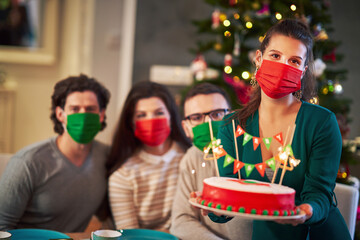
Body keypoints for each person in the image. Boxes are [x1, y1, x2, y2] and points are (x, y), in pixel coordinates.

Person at [211, 19, 351, 240]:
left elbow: (320, 194)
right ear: (259, 59)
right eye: (275, 56)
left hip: (318, 234)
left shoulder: (322, 123)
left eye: (294, 61)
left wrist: (306, 211)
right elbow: (229, 198)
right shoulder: (231, 126)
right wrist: (212, 206)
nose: (283, 66)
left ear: (303, 71)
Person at [0, 74, 111, 232]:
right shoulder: (28, 162)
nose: (83, 115)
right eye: (74, 109)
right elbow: (2, 227)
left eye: (90, 109)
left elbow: (107, 215)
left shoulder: (107, 157)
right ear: (60, 115)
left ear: (101, 115)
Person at [170, 83, 253, 240]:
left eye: (217, 114)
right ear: (186, 127)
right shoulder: (191, 158)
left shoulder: (255, 153)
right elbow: (181, 221)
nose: (208, 123)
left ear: (233, 116)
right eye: (196, 118)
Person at [107, 81, 191, 230]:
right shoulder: (122, 176)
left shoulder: (190, 158)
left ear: (170, 116)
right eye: (141, 115)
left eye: (159, 113)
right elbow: (130, 235)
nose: (151, 120)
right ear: (131, 122)